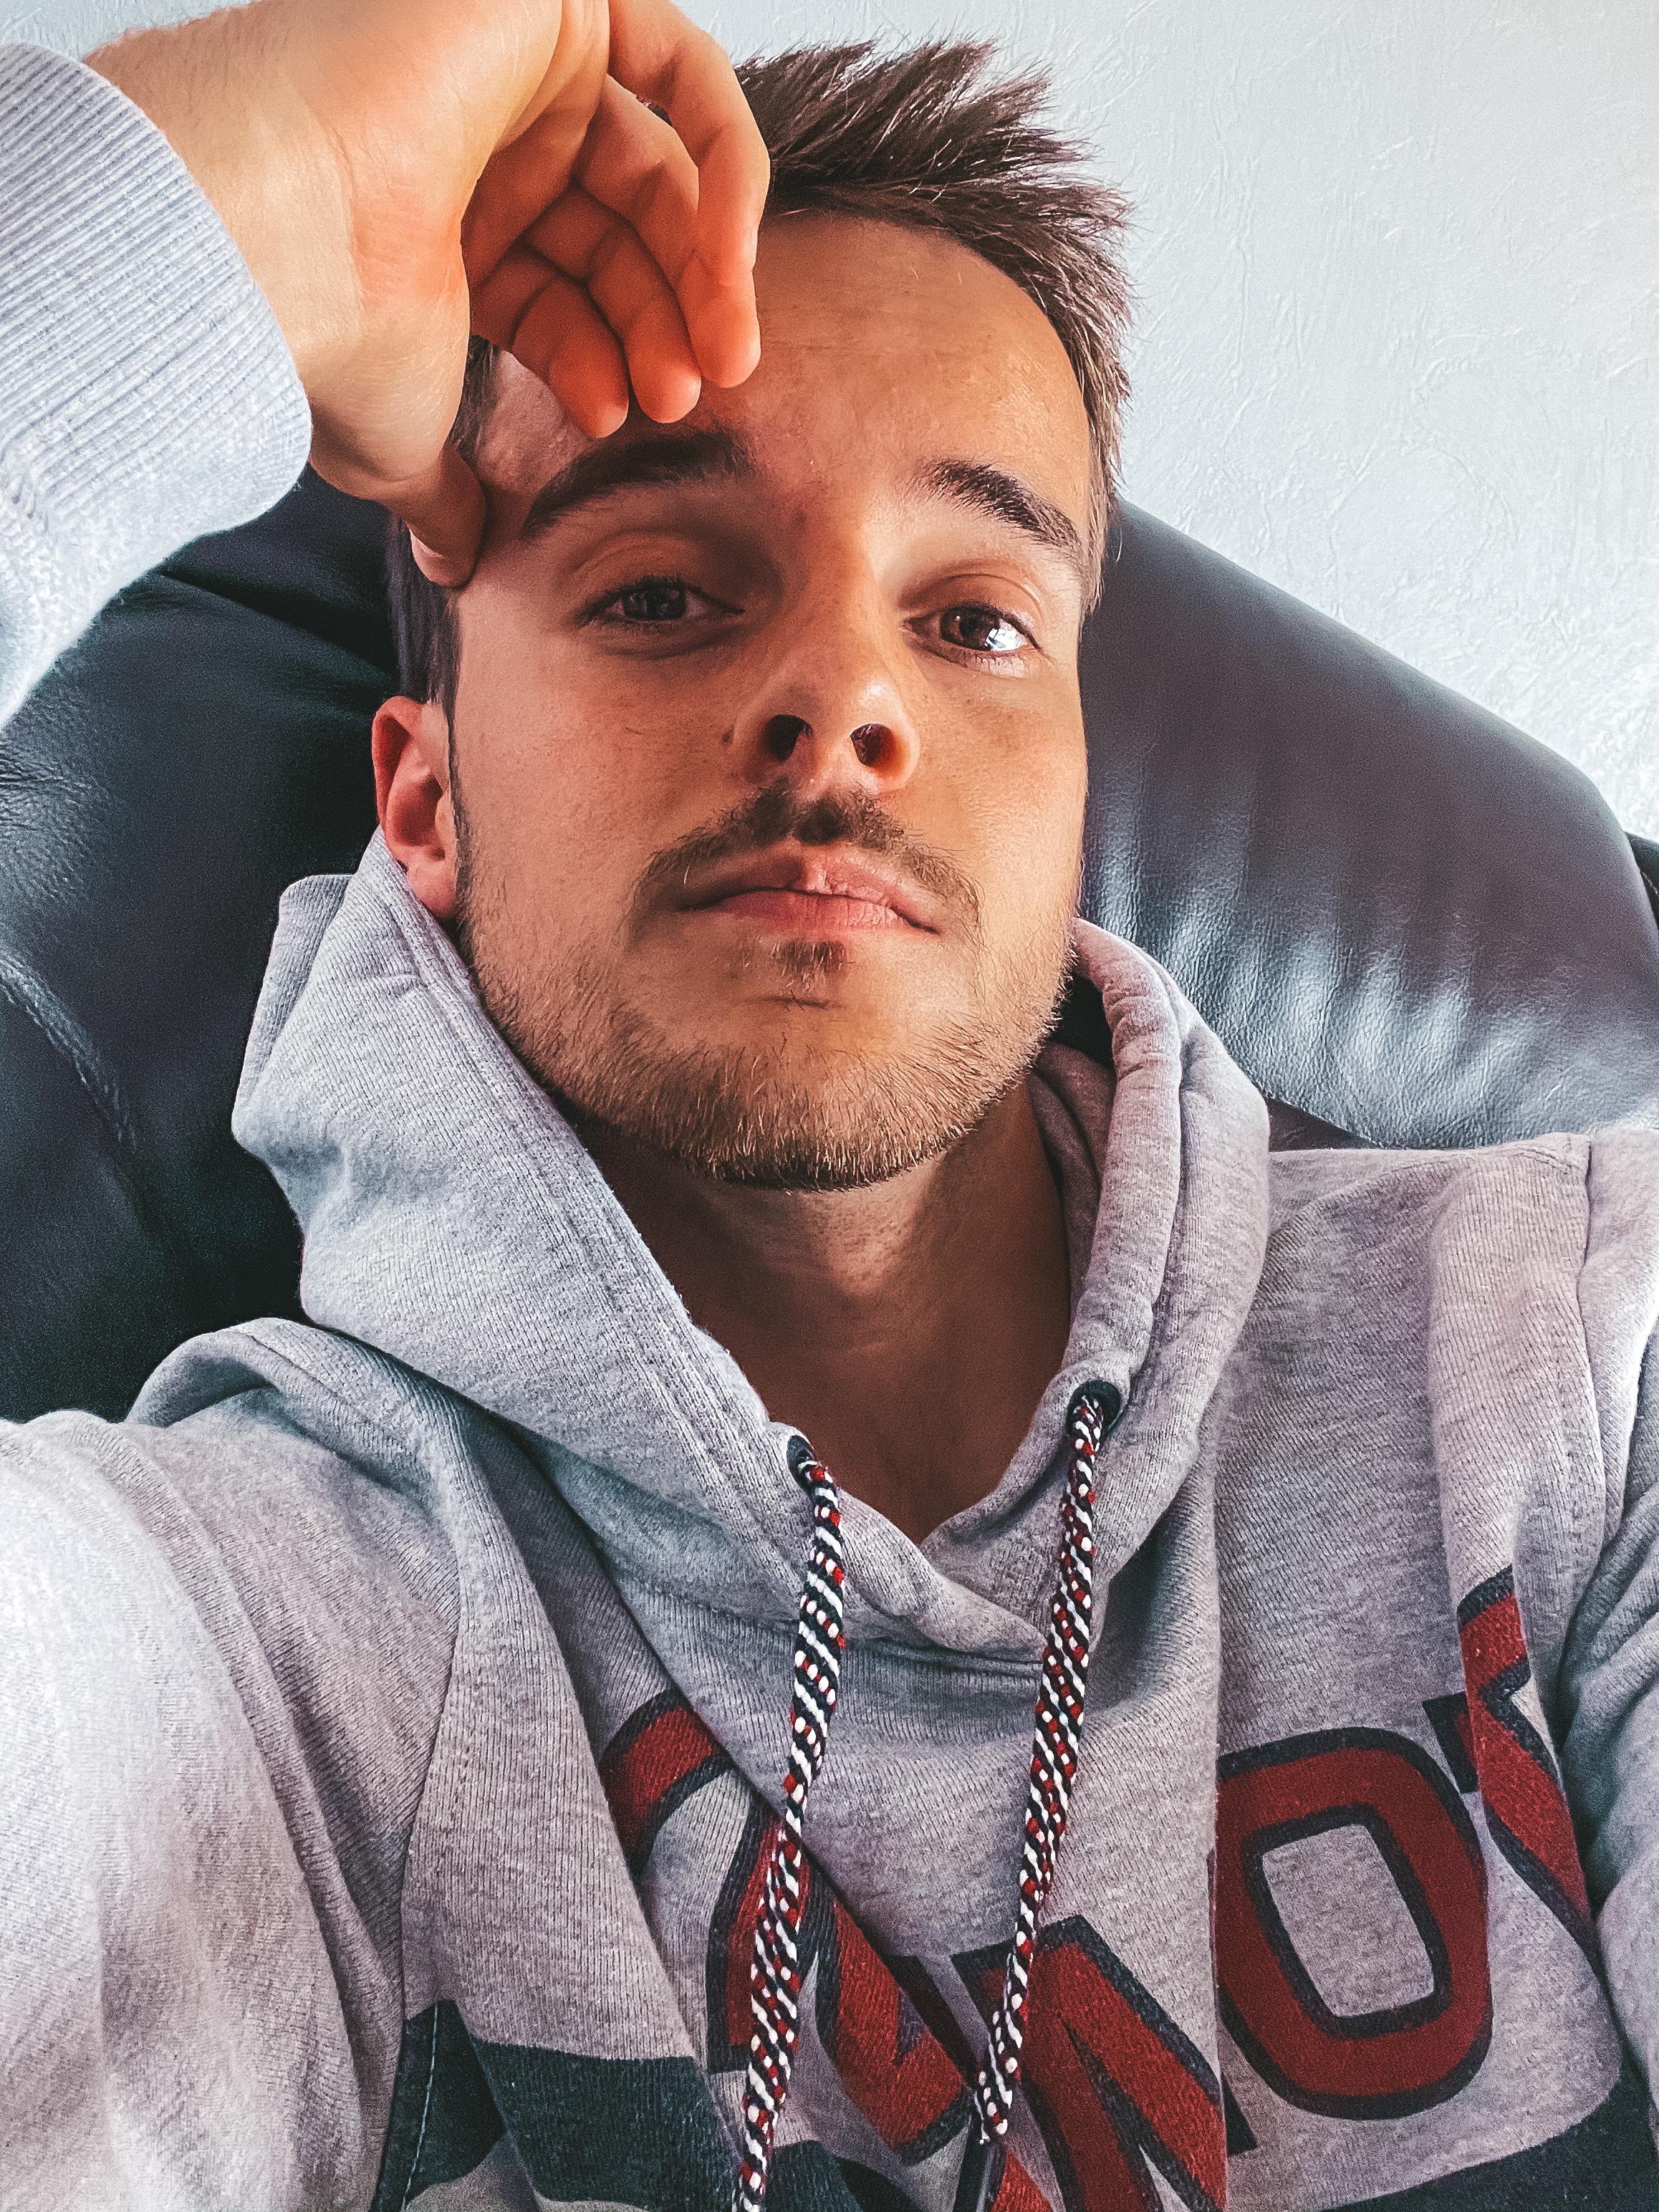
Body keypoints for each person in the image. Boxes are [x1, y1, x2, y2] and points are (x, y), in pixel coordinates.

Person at [1, 6, 1655, 2211]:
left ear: (1076, 798)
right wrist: (211, 204)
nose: (843, 697)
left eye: (972, 622)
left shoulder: (1583, 1369)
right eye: (661, 591)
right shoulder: (256, 1644)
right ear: (425, 799)